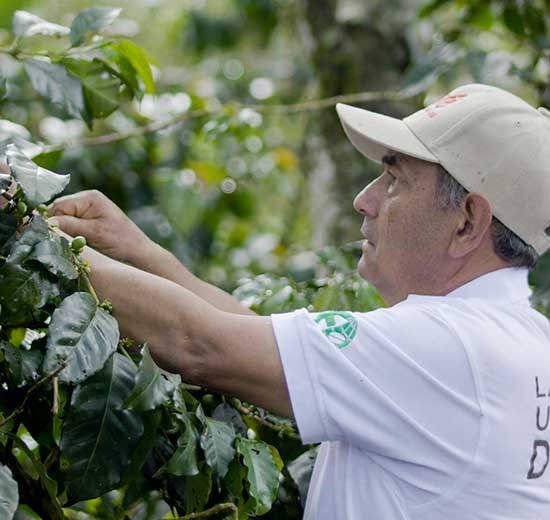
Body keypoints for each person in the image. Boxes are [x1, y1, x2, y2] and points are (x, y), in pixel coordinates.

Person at [50, 83, 550, 520]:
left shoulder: (447, 347)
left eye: (395, 180)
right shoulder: (519, 341)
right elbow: (268, 347)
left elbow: (201, 344)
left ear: (466, 221)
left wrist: (37, 237)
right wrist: (140, 252)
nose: (365, 199)